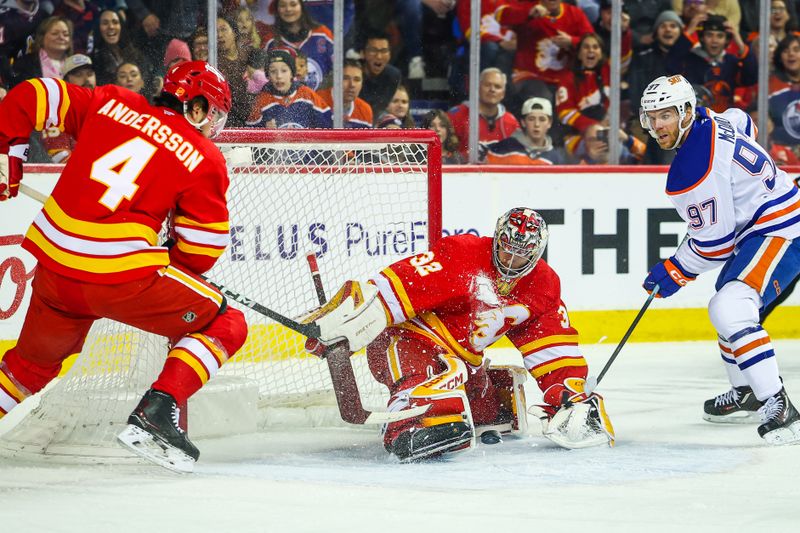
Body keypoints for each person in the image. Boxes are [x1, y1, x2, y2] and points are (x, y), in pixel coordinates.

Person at [0, 60, 249, 472]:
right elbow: (202, 251)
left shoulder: (111, 101)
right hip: (121, 279)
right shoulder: (203, 155)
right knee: (225, 322)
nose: (212, 127)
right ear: (198, 107)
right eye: (214, 115)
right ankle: (158, 411)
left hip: (55, 270)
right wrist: (168, 254)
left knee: (29, 367)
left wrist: (8, 150)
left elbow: (31, 94)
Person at [300, 207, 615, 461]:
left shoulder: (542, 284)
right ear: (496, 240)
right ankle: (407, 422)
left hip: (463, 360)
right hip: (408, 337)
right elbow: (392, 289)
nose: (510, 262)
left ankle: (477, 395)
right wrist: (343, 328)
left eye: (521, 256)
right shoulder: (461, 254)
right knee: (415, 366)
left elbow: (550, 344)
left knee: (487, 413)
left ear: (537, 253)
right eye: (506, 252)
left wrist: (567, 390)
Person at [639, 74, 800, 444]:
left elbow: (715, 246)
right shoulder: (713, 118)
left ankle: (779, 406)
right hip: (766, 224)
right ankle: (744, 389)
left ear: (685, 112)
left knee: (729, 308)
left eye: (665, 115)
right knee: (729, 300)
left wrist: (674, 269)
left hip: (783, 229)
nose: (656, 125)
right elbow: (744, 121)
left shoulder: (692, 169)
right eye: (651, 117)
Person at [247, 48, 332, 128]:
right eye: (273, 71)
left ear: (292, 73)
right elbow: (249, 134)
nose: (279, 76)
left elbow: (328, 126)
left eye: (284, 71)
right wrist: (264, 130)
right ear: (268, 76)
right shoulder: (262, 100)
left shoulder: (307, 95)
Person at [448, 67, 520, 158]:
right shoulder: (456, 116)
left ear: (503, 94)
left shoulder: (511, 122)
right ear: (478, 88)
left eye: (497, 87)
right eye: (487, 85)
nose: (492, 90)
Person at [40, 54, 97, 163]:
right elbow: (61, 159)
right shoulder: (56, 116)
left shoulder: (107, 108)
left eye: (90, 74)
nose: (86, 79)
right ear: (66, 82)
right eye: (79, 75)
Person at [483, 97, 566, 165]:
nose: (536, 124)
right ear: (523, 122)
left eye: (542, 119)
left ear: (549, 123)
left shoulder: (555, 159)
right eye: (531, 119)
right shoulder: (504, 148)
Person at [359, 30, 402, 120]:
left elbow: (380, 109)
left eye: (384, 51)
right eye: (373, 50)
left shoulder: (393, 75)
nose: (379, 56)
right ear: (362, 53)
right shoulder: (353, 73)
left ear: (390, 54)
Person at [318, 59, 373, 128]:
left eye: (357, 80)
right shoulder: (317, 100)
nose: (352, 85)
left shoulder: (365, 110)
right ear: (335, 79)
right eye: (346, 78)